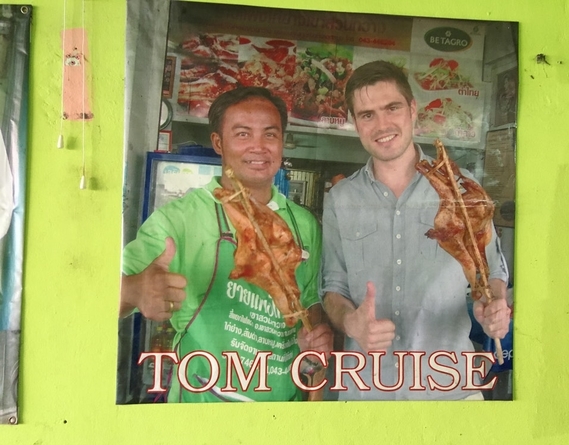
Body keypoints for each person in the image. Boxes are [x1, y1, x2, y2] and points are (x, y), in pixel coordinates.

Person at [120, 87, 332, 402]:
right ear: (218, 143)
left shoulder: (303, 224)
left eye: (270, 135)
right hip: (204, 414)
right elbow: (96, 301)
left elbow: (311, 303)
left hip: (285, 416)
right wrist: (134, 290)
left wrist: (318, 333)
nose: (259, 147)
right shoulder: (178, 220)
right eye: (243, 134)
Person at [320, 61, 510, 401]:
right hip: (366, 393)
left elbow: (491, 270)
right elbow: (332, 286)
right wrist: (351, 323)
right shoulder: (341, 198)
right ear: (355, 123)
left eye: (391, 108)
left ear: (412, 109)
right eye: (367, 115)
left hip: (450, 392)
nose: (382, 125)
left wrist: (492, 304)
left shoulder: (461, 189)